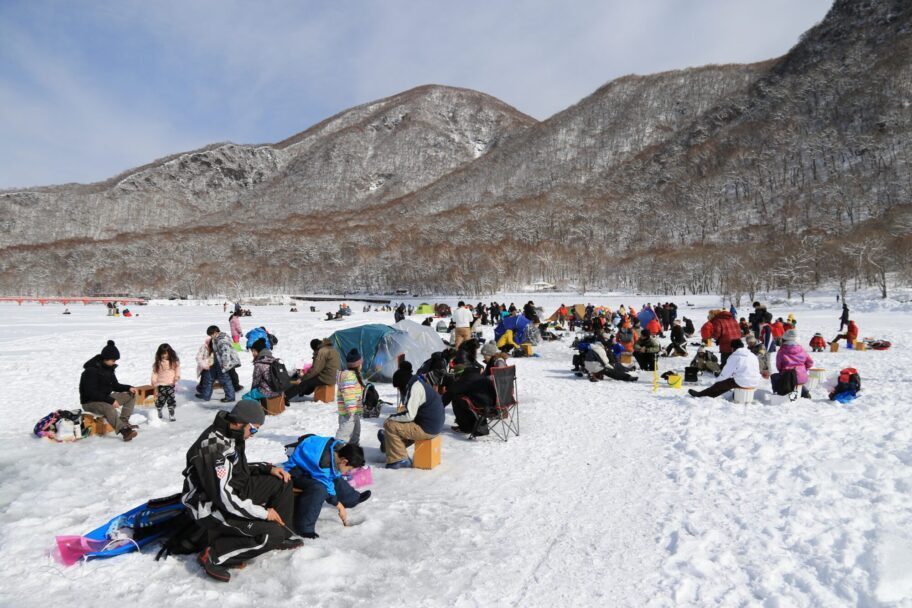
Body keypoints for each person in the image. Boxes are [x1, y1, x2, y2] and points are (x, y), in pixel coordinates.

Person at [182, 401, 301, 582]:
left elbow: (237, 470)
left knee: (282, 482)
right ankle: (214, 555)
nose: (253, 435)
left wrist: (266, 468)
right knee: (271, 533)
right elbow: (223, 497)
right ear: (239, 422)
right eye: (253, 429)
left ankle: (282, 536)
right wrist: (263, 513)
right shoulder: (213, 447)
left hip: (232, 491)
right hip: (209, 506)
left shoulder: (232, 434)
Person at [284, 436, 370, 538]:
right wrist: (339, 506)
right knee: (320, 489)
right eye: (349, 469)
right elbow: (328, 487)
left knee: (336, 474)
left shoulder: (336, 448)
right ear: (344, 461)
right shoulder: (324, 465)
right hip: (295, 472)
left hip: (309, 466)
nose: (348, 472)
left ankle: (352, 499)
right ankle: (304, 528)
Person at [379, 361, 445, 469]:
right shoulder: (417, 383)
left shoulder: (415, 388)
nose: (399, 390)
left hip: (428, 428)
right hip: (432, 425)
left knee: (389, 424)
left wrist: (391, 418)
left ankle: (399, 459)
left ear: (402, 384)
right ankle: (389, 444)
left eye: (399, 387)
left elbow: (410, 415)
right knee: (395, 423)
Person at [79, 340, 138, 441]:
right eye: (113, 360)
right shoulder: (91, 371)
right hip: (90, 402)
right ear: (106, 358)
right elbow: (91, 393)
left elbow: (115, 385)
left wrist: (129, 387)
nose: (115, 362)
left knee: (131, 395)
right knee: (108, 407)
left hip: (104, 398)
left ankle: (123, 422)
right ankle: (124, 431)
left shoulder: (109, 368)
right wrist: (110, 400)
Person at [442, 351, 495, 435]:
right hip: (494, 402)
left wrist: (437, 406)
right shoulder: (476, 374)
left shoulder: (465, 379)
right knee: (464, 397)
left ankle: (465, 427)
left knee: (457, 398)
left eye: (455, 376)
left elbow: (450, 393)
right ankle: (471, 424)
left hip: (484, 405)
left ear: (459, 374)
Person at [688, 339, 762, 399]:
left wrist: (717, 382)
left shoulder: (735, 356)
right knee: (730, 382)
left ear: (733, 348)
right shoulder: (752, 355)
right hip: (755, 381)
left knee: (720, 385)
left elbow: (725, 374)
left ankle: (701, 395)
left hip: (743, 382)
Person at [197, 326, 237, 403]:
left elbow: (226, 352)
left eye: (211, 335)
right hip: (217, 362)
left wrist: (225, 364)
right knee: (209, 378)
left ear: (215, 332)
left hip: (223, 363)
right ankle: (205, 395)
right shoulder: (217, 338)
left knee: (225, 380)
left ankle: (230, 397)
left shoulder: (222, 340)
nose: (210, 337)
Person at [335, 349, 365, 445]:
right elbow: (349, 394)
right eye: (361, 363)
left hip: (354, 412)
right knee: (344, 435)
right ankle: (338, 452)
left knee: (355, 434)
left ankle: (352, 452)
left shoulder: (354, 375)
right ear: (357, 365)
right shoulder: (348, 376)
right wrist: (351, 409)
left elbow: (356, 392)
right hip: (348, 413)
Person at [773, 330, 813, 398]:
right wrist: (803, 370)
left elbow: (778, 365)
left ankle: (780, 394)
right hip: (802, 376)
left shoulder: (782, 351)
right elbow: (810, 362)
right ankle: (804, 392)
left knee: (776, 377)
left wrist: (782, 371)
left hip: (787, 377)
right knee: (797, 379)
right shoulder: (802, 349)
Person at [242, 338, 280, 403]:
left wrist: (252, 392)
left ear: (258, 351)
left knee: (246, 397)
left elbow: (255, 381)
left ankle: (258, 409)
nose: (252, 354)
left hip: (268, 392)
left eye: (254, 351)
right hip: (279, 390)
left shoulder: (259, 363)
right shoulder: (273, 360)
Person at [151, 343, 180, 421]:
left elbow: (177, 369)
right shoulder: (158, 363)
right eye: (162, 354)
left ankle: (171, 413)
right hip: (161, 384)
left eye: (165, 353)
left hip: (171, 383)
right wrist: (154, 381)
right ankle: (159, 408)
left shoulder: (173, 361)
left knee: (171, 398)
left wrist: (177, 377)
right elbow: (155, 373)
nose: (164, 356)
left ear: (169, 352)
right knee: (161, 399)